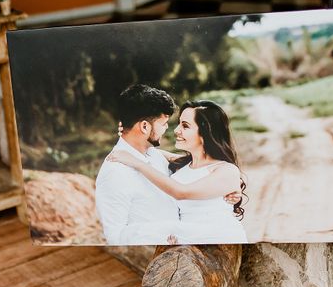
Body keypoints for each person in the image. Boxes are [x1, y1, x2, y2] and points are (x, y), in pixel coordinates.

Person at [107, 100, 248, 244]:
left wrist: (138, 164)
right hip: (187, 238)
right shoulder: (183, 165)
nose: (176, 130)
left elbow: (181, 192)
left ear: (206, 133)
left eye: (185, 126)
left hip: (220, 238)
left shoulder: (226, 170)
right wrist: (131, 132)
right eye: (179, 123)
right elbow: (151, 151)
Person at [95, 84, 179, 245]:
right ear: (145, 126)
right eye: (163, 124)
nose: (167, 128)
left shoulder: (153, 155)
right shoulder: (115, 172)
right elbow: (115, 236)